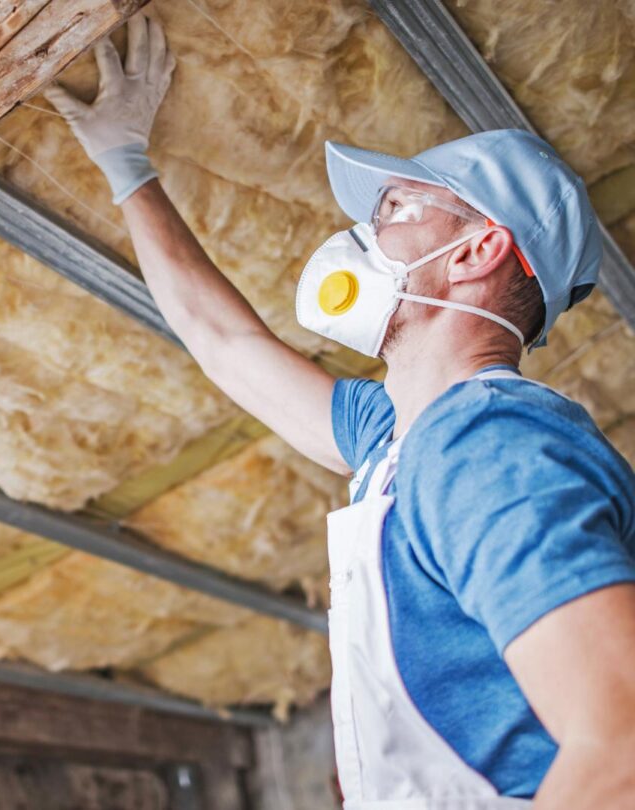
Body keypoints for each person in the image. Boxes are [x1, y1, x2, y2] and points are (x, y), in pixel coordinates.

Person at [45, 13, 635, 809]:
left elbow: (622, 745)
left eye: (395, 210)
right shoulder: (400, 444)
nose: (363, 235)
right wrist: (125, 166)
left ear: (476, 252)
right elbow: (223, 342)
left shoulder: (488, 448)